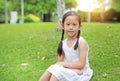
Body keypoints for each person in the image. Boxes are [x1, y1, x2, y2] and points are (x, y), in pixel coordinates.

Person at [39, 11, 93, 81]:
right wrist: (70, 69)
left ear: (79, 26)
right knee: (53, 69)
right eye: (68, 24)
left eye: (74, 25)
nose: (71, 27)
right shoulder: (63, 43)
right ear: (62, 26)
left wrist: (64, 65)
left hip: (82, 73)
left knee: (56, 72)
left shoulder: (81, 42)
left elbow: (81, 64)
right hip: (69, 70)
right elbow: (59, 64)